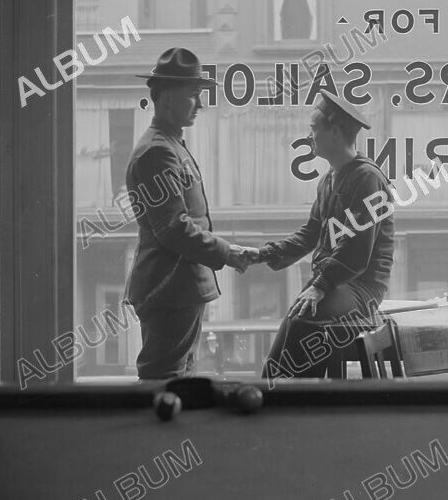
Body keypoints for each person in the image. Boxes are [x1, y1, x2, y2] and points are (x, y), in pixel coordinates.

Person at [240, 94, 395, 379]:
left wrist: (320, 285)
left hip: (362, 288)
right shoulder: (329, 180)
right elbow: (310, 234)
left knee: (305, 316)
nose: (309, 136)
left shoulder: (367, 178)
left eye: (314, 128)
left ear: (334, 133)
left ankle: (296, 402)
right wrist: (262, 254)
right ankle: (274, 393)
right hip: (336, 285)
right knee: (296, 317)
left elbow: (357, 250)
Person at [123, 48, 254, 380]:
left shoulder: (169, 145)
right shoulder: (158, 152)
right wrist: (227, 252)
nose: (200, 103)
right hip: (170, 288)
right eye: (193, 95)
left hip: (178, 287)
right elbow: (173, 227)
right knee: (164, 380)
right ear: (166, 98)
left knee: (176, 378)